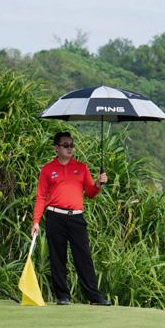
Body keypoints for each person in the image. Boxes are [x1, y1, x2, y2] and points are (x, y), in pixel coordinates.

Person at [28, 131, 112, 306]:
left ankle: (94, 296)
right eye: (65, 145)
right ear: (56, 148)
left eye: (72, 145)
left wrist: (98, 183)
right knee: (57, 257)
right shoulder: (48, 169)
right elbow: (41, 196)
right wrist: (36, 221)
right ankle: (62, 296)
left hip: (76, 217)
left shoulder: (81, 168)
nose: (70, 148)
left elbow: (90, 193)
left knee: (83, 256)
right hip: (54, 216)